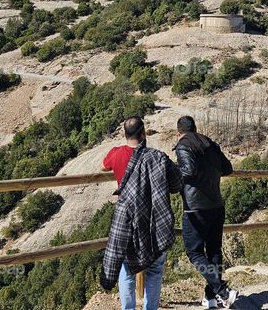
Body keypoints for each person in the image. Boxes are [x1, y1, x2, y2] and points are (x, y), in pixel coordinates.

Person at [100, 117, 182, 310]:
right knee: (154, 270)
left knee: (127, 270)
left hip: (129, 221)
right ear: (144, 134)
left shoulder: (116, 153)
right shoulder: (158, 157)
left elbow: (104, 167)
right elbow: (177, 183)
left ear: (124, 134)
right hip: (154, 220)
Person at [173, 116, 238, 309]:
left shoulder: (183, 145)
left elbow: (188, 170)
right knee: (214, 251)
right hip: (216, 205)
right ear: (195, 128)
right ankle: (212, 297)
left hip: (196, 208)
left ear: (179, 132)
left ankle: (223, 291)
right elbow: (227, 168)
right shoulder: (209, 143)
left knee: (194, 253)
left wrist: (172, 173)